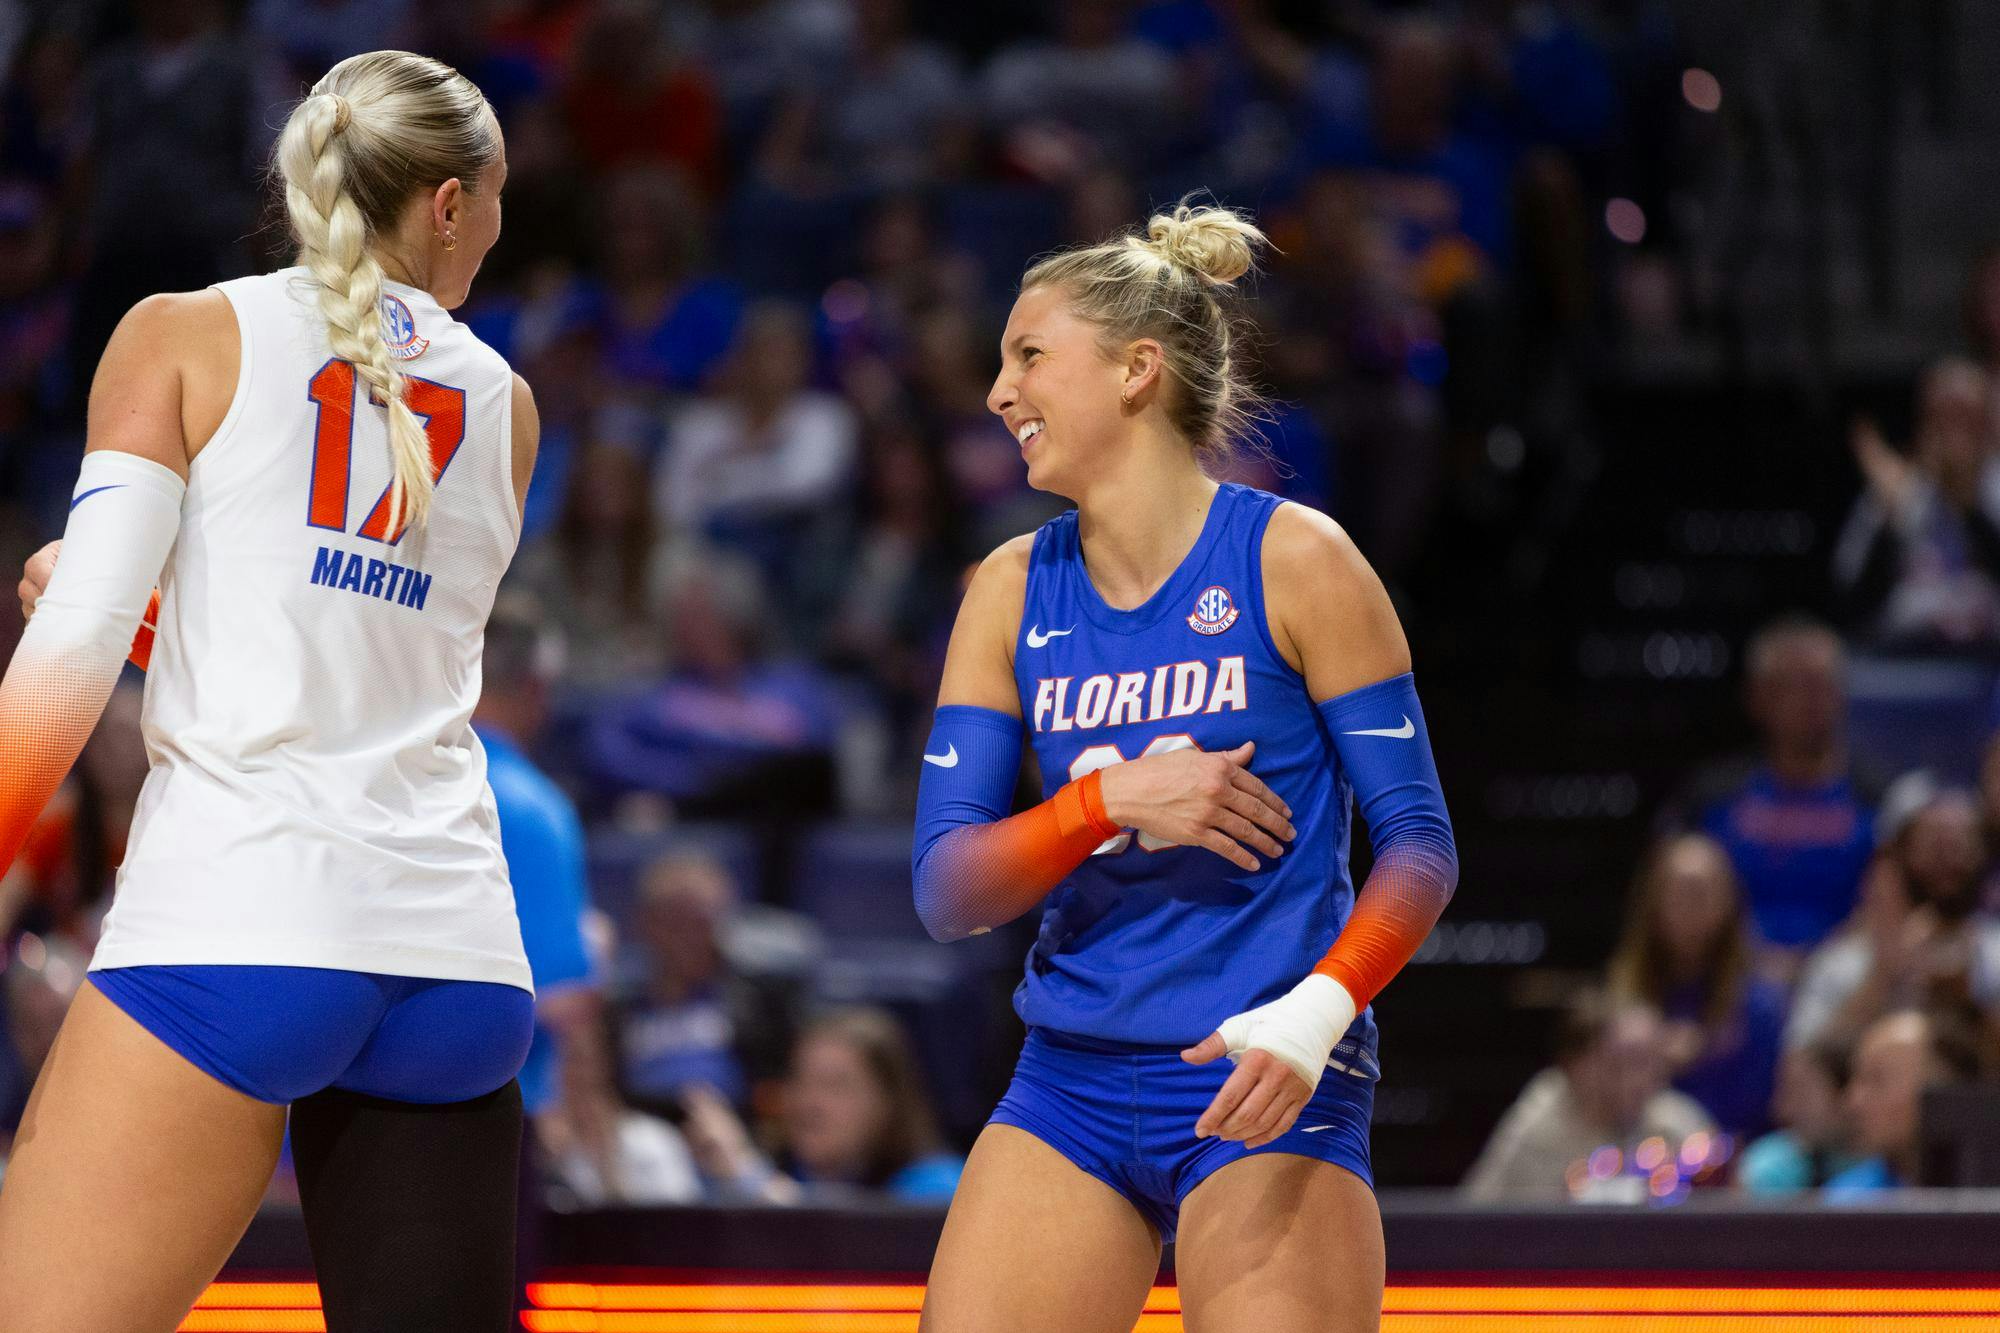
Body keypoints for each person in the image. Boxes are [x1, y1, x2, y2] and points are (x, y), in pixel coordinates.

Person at [0, 51, 538, 1332]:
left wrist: (121, 606)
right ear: (451, 203)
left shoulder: (181, 332)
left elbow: (74, 654)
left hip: (238, 920)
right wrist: (154, 610)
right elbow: (348, 649)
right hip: (454, 960)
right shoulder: (507, 406)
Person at [912, 202, 1457, 1333]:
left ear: (1133, 372)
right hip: (1066, 1078)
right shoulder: (1008, 588)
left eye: (1026, 356)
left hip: (1263, 1070)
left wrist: (1316, 1012)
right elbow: (946, 888)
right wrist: (1102, 801)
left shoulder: (1295, 558)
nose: (996, 393)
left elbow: (1419, 849)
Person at [1669, 616, 1880, 965]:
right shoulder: (1710, 797)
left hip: (1846, 980)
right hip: (1727, 978)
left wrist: (1817, 967)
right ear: (1757, 698)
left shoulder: (1881, 798)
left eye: (1821, 685)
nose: (1810, 701)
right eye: (1793, 686)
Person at [681, 1006, 965, 1205]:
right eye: (799, 1080)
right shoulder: (784, 1174)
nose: (810, 1103)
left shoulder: (939, 1187)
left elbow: (846, 1240)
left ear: (888, 1103)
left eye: (835, 1086)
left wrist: (747, 1177)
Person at [1604, 833, 1788, 1137]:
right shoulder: (1623, 994)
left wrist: (1704, 1052)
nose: (1689, 908)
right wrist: (1653, 1059)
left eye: (1701, 894)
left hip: (1728, 1161)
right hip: (1636, 1150)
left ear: (1729, 902)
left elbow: (1760, 1107)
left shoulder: (1758, 1006)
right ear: (1654, 901)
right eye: (1678, 893)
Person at [1788, 791, 2000, 1054]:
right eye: (1935, 845)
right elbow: (1802, 1059)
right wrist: (1883, 977)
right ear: (1901, 859)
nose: (1947, 859)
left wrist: (1966, 999)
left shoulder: (1994, 955)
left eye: (1960, 845)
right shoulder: (1842, 963)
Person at [1460, 992, 1713, 1202]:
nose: (1650, 1078)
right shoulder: (1540, 1126)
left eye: (1655, 1060)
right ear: (1580, 1066)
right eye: (1632, 1061)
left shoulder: (1676, 1120)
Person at [1824, 1008, 1982, 1199]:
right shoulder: (1843, 1202)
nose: (1852, 1102)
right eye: (1855, 1078)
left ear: (1945, 1088)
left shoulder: (1987, 1197)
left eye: (1877, 1079)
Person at [1737, 1042, 1862, 1194]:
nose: (1783, 1110)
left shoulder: (1889, 1172)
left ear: (1847, 1093)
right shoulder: (1770, 1167)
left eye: (1801, 1093)